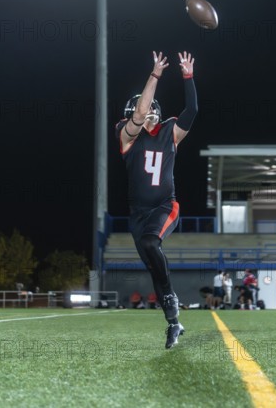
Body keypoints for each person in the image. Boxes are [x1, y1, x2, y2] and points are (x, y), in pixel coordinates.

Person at [115, 51, 198, 349]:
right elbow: (138, 116)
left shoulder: (170, 133)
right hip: (137, 214)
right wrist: (155, 75)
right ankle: (174, 323)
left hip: (165, 206)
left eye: (151, 107)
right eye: (143, 107)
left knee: (152, 244)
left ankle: (172, 300)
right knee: (152, 265)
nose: (147, 110)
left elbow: (193, 110)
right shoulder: (127, 136)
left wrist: (187, 76)